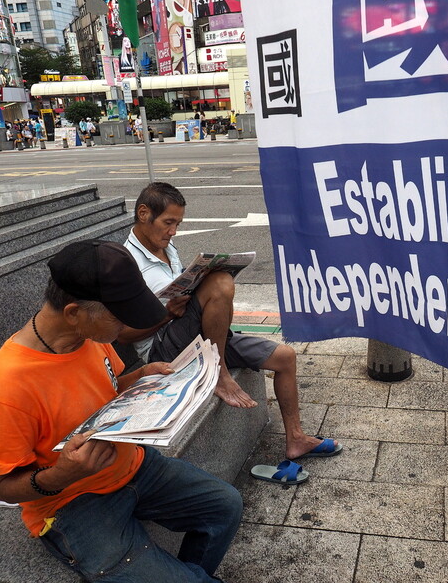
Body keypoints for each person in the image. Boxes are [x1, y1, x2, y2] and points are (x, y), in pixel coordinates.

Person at [0, 240, 241, 582]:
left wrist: (141, 378)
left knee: (225, 506)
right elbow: (6, 488)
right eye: (119, 318)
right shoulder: (10, 385)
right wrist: (62, 474)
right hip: (72, 502)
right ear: (74, 313)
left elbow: (112, 385)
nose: (126, 327)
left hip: (132, 464)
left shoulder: (91, 335)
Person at [119, 182, 343, 461]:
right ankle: (219, 372)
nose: (173, 231)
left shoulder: (167, 246)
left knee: (285, 357)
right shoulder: (124, 264)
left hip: (198, 335)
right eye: (168, 222)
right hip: (163, 348)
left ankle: (296, 439)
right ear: (143, 213)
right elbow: (122, 336)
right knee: (220, 283)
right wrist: (166, 314)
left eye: (178, 223)